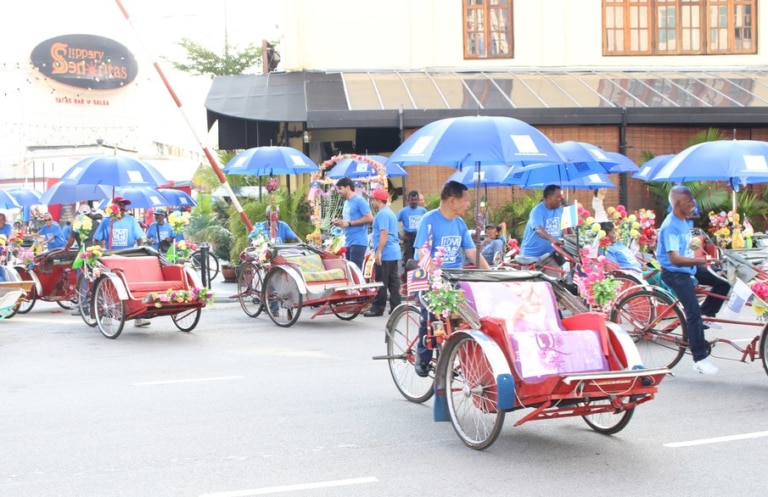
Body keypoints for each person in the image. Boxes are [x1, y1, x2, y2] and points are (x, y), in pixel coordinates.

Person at [413, 180, 489, 376]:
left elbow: (471, 251)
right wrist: (436, 279)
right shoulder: (429, 220)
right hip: (429, 277)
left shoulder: (460, 223)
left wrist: (490, 274)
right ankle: (423, 356)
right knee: (430, 317)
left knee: (469, 314)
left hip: (455, 278)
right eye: (465, 200)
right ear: (453, 200)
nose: (468, 205)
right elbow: (423, 254)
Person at [657, 185, 730, 375]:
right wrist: (702, 260)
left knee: (723, 283)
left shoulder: (684, 221)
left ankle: (707, 314)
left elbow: (688, 247)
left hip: (690, 266)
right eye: (689, 202)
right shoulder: (670, 226)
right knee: (692, 312)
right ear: (678, 204)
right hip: (675, 272)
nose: (693, 205)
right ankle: (699, 359)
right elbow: (674, 258)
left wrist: (707, 257)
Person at [364, 188, 402, 317]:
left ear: (378, 200)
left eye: (373, 200)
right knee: (393, 280)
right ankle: (396, 306)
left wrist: (379, 252)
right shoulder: (389, 212)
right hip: (393, 251)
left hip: (386, 252)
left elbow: (384, 233)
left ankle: (378, 308)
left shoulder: (382, 214)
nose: (372, 202)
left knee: (381, 281)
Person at [331, 177, 373, 270]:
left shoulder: (359, 200)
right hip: (348, 241)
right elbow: (348, 220)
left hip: (358, 241)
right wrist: (340, 222)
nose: (338, 191)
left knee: (355, 271)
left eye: (340, 188)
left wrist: (349, 223)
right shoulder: (346, 202)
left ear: (348, 187)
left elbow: (369, 218)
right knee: (350, 271)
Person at [519, 185, 564, 259]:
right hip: (531, 257)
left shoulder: (559, 209)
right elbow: (539, 229)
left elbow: (565, 226)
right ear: (550, 197)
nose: (561, 199)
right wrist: (553, 239)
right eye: (558, 197)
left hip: (550, 256)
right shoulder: (537, 211)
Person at [396, 190, 427, 264]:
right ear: (408, 200)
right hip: (408, 238)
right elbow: (393, 223)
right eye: (412, 200)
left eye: (416, 200)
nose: (414, 202)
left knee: (420, 259)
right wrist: (399, 236)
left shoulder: (423, 211)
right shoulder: (403, 211)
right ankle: (407, 274)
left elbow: (428, 224)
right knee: (408, 260)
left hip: (420, 237)